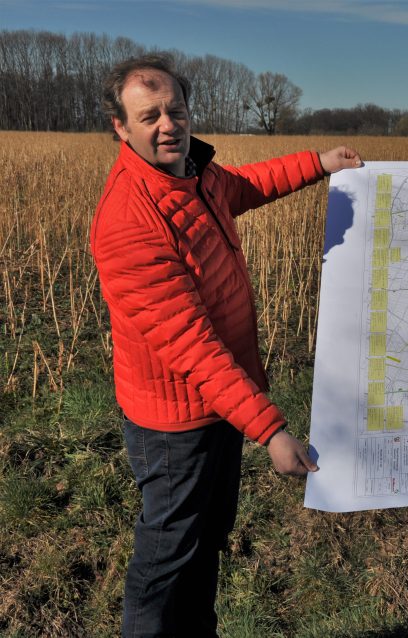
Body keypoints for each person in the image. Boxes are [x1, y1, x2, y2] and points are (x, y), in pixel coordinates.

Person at [90, 54, 362, 637]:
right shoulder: (130, 218)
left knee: (206, 539)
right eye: (149, 116)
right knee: (166, 558)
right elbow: (191, 347)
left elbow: (246, 185)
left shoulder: (194, 173)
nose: (168, 125)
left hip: (220, 403)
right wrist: (271, 430)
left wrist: (320, 163)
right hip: (175, 421)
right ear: (121, 127)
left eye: (176, 110)